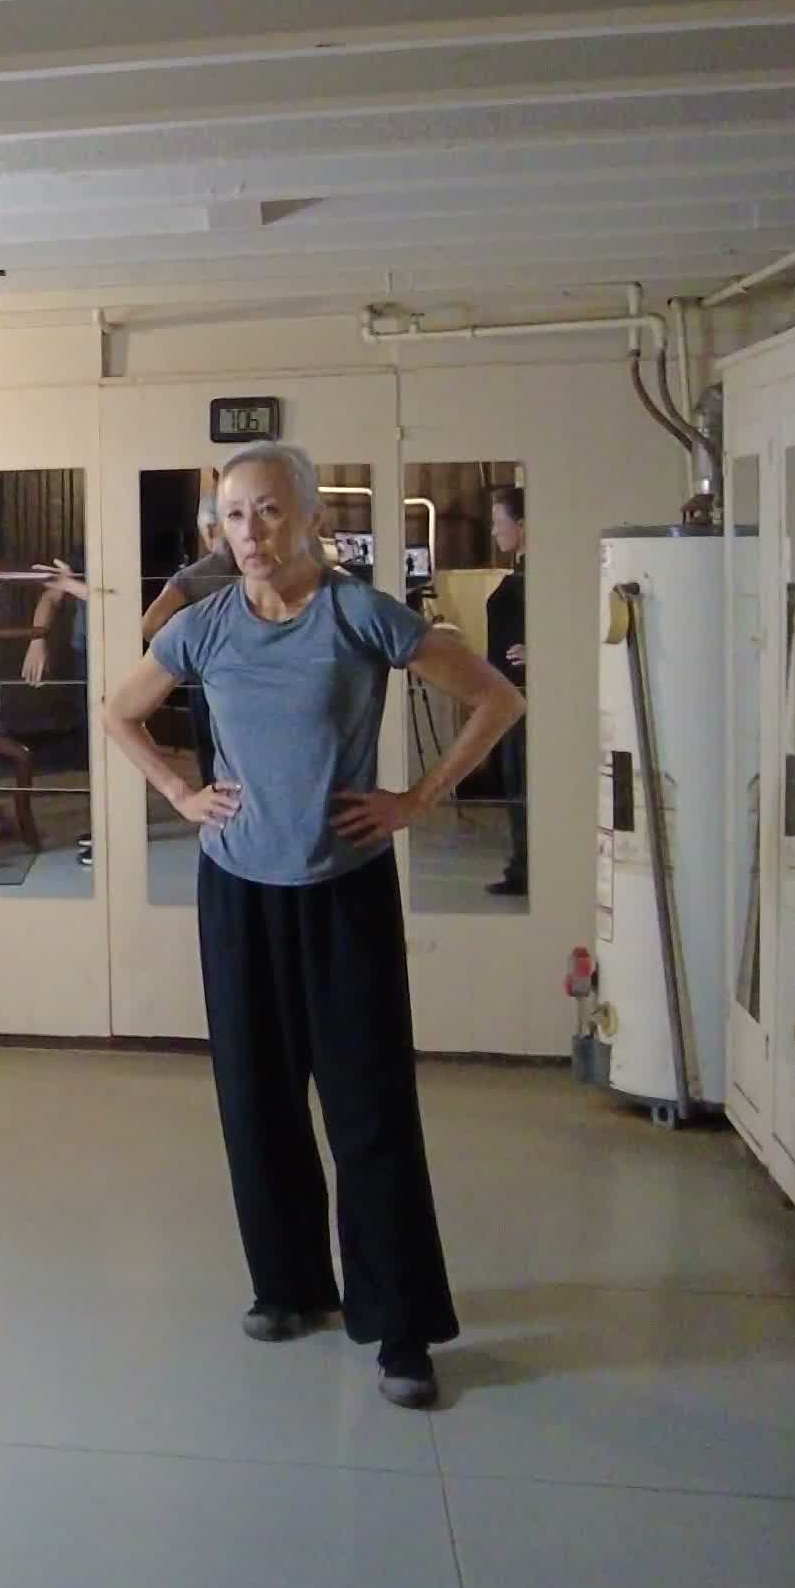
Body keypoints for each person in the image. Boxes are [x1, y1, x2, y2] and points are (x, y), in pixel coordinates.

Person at [100, 442, 522, 1408]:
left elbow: (498, 698)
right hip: (237, 891)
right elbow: (119, 713)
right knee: (257, 1099)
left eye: (270, 512)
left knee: (369, 1108)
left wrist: (416, 798)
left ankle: (401, 1325)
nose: (250, 533)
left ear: (312, 518)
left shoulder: (360, 612)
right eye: (234, 516)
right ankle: (288, 1284)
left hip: (343, 889)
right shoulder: (204, 625)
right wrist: (181, 790)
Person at [484, 485, 531, 898]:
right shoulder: (519, 575)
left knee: (524, 784)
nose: (495, 532)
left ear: (522, 526)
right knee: (513, 782)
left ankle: (528, 869)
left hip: (526, 697)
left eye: (500, 523)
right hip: (506, 696)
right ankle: (522, 865)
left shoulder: (542, 579)